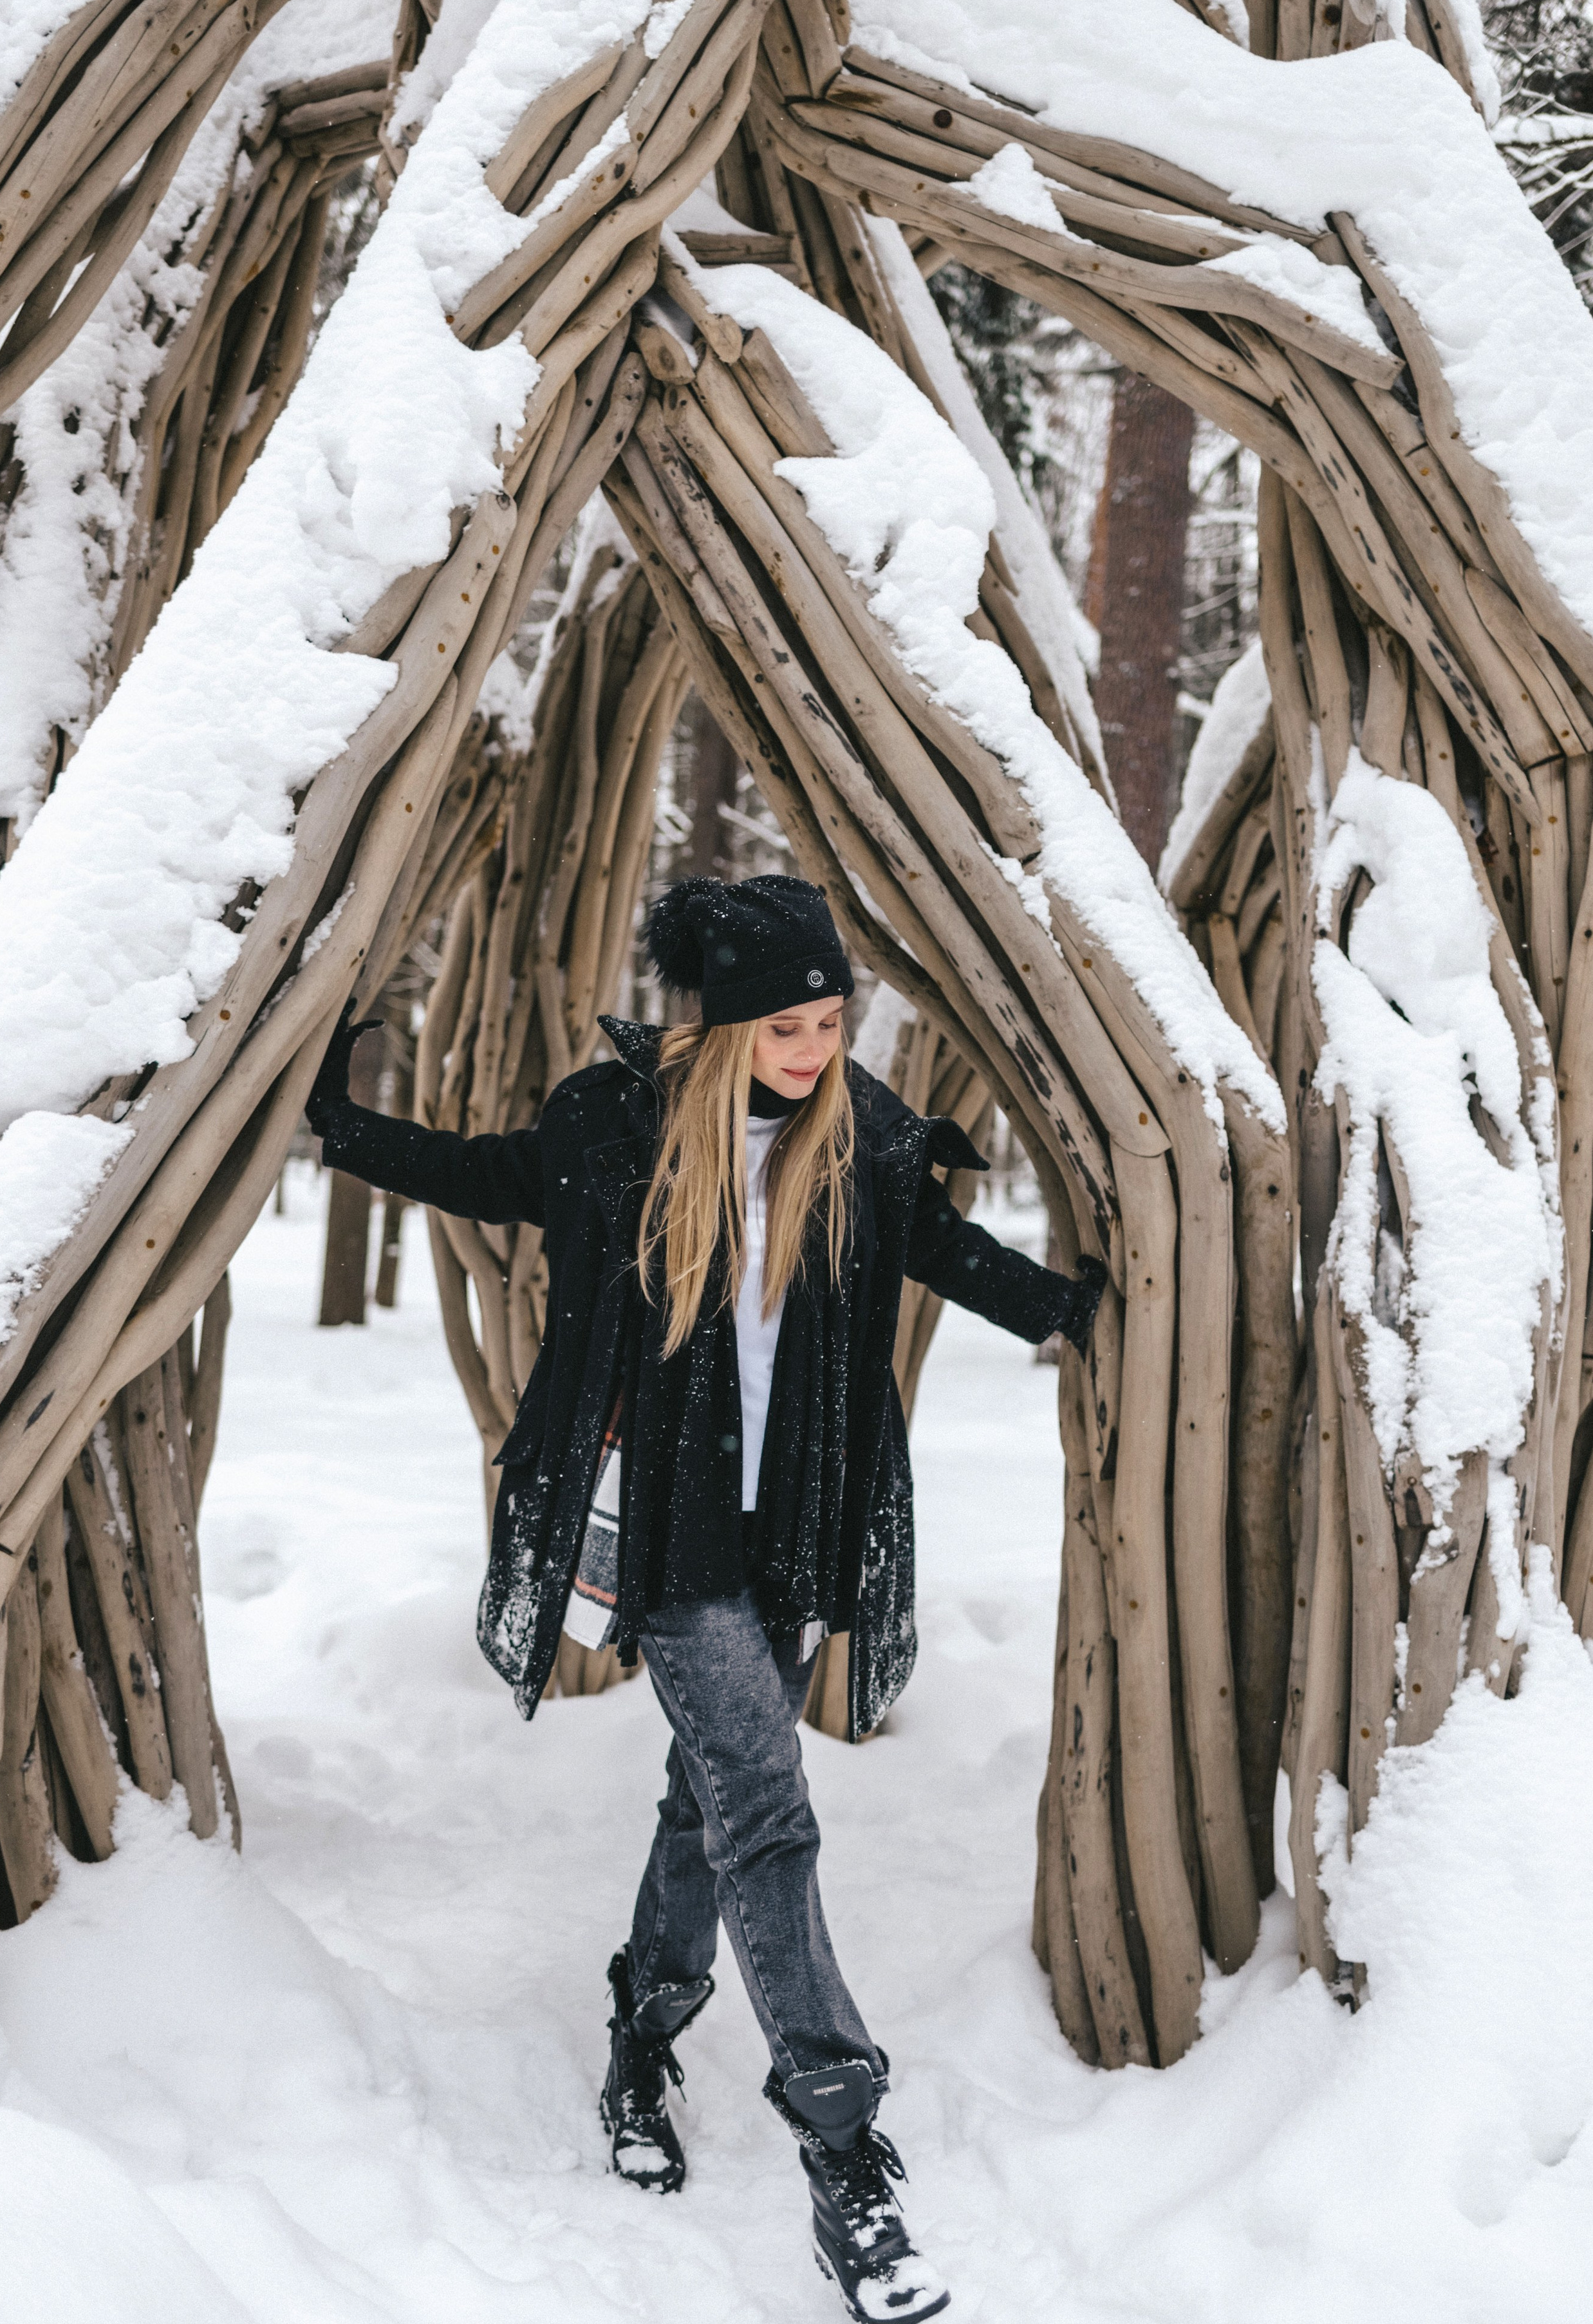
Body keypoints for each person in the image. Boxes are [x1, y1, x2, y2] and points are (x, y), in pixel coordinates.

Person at [306, 874, 1105, 2323]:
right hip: (669, 1531)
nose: (813, 1050)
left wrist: (1070, 1308)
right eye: (785, 1028)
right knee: (768, 1807)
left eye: (829, 1021)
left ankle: (641, 2036)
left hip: (792, 1524)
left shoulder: (857, 1136)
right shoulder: (614, 1125)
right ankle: (844, 2150)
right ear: (725, 1023)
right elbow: (487, 1176)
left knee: (709, 1801)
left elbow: (941, 1252)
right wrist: (341, 1125)